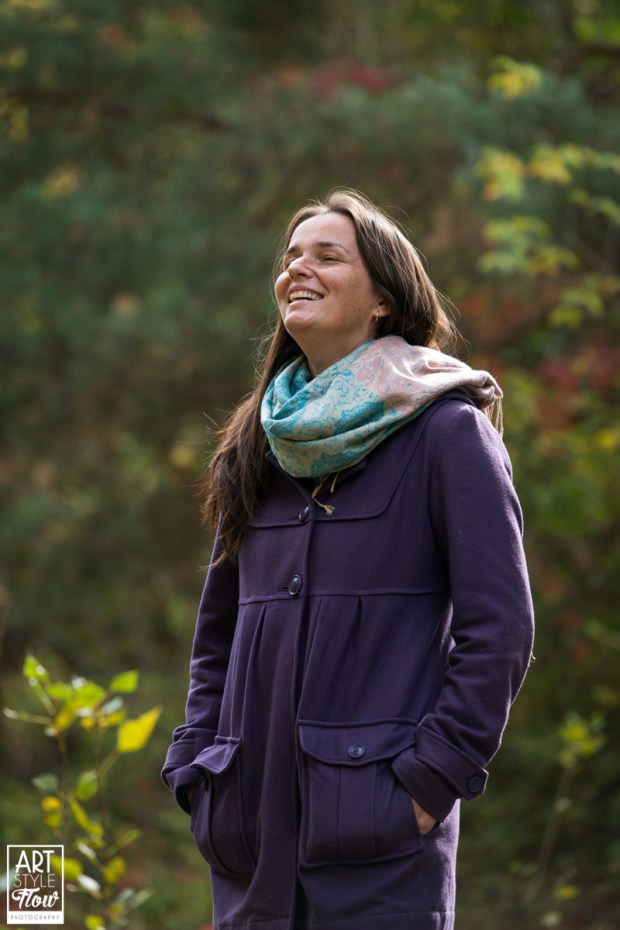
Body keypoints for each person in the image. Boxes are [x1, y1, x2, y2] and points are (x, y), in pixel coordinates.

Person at [162, 189, 535, 930]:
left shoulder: (448, 432)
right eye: (291, 257)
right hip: (248, 846)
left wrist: (429, 784)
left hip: (381, 853)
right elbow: (217, 637)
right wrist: (196, 764)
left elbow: (500, 632)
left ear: (383, 300)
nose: (297, 269)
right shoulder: (258, 442)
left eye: (327, 256)